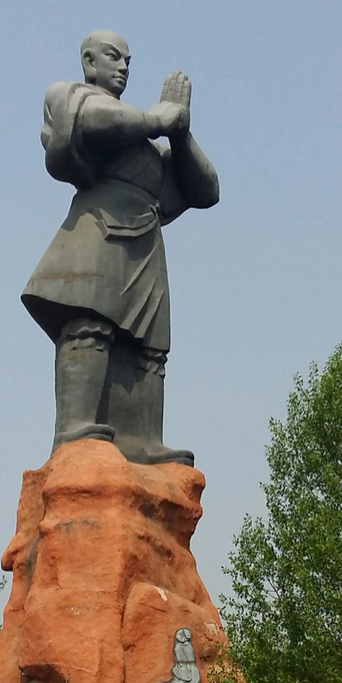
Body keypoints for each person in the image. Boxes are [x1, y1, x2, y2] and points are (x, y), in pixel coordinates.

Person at [22, 31, 219, 465]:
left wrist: (180, 132)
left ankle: (143, 439)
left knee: (149, 350)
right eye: (114, 57)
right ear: (89, 62)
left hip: (145, 243)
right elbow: (95, 120)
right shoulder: (70, 95)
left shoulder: (146, 148)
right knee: (89, 326)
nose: (124, 67)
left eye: (129, 60)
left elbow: (207, 190)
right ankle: (75, 426)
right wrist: (157, 119)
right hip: (97, 231)